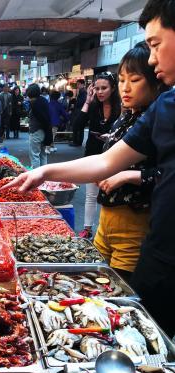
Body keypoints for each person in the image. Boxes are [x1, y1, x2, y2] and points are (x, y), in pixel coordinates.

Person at [4, 0, 175, 337]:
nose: (153, 57)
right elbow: (106, 162)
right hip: (162, 254)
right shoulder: (166, 107)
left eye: (156, 44)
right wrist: (44, 172)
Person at [95, 43, 165, 280]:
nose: (125, 88)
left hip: (134, 224)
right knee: (95, 282)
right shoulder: (125, 118)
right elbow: (107, 161)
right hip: (106, 219)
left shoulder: (158, 120)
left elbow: (166, 174)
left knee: (119, 290)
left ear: (155, 80)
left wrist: (127, 176)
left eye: (134, 80)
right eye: (121, 80)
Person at [75, 72, 121, 238]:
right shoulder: (93, 105)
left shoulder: (121, 106)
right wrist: (87, 100)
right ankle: (87, 228)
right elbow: (78, 124)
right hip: (93, 153)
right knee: (91, 194)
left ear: (113, 88)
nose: (100, 92)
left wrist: (111, 137)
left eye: (104, 88)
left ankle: (108, 230)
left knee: (112, 191)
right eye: (97, 88)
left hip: (116, 154)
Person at [27, 83, 52, 168]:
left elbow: (40, 118)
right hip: (44, 131)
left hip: (36, 131)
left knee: (34, 155)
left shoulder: (34, 103)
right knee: (43, 154)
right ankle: (44, 177)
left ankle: (36, 178)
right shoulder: (43, 100)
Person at [70, 78, 87, 146]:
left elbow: (81, 102)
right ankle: (77, 142)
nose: (77, 85)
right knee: (79, 127)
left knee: (78, 127)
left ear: (82, 84)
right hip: (80, 111)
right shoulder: (81, 91)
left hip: (80, 112)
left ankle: (77, 142)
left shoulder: (83, 92)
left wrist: (75, 102)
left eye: (78, 84)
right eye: (77, 84)